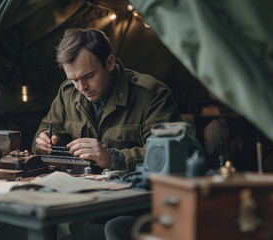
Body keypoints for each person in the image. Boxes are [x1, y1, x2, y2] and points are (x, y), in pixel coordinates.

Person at [33, 28, 181, 172]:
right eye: (73, 79)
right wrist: (44, 142)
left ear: (109, 63)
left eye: (89, 76)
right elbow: (46, 130)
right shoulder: (67, 92)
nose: (81, 87)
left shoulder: (152, 94)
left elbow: (171, 152)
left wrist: (113, 158)